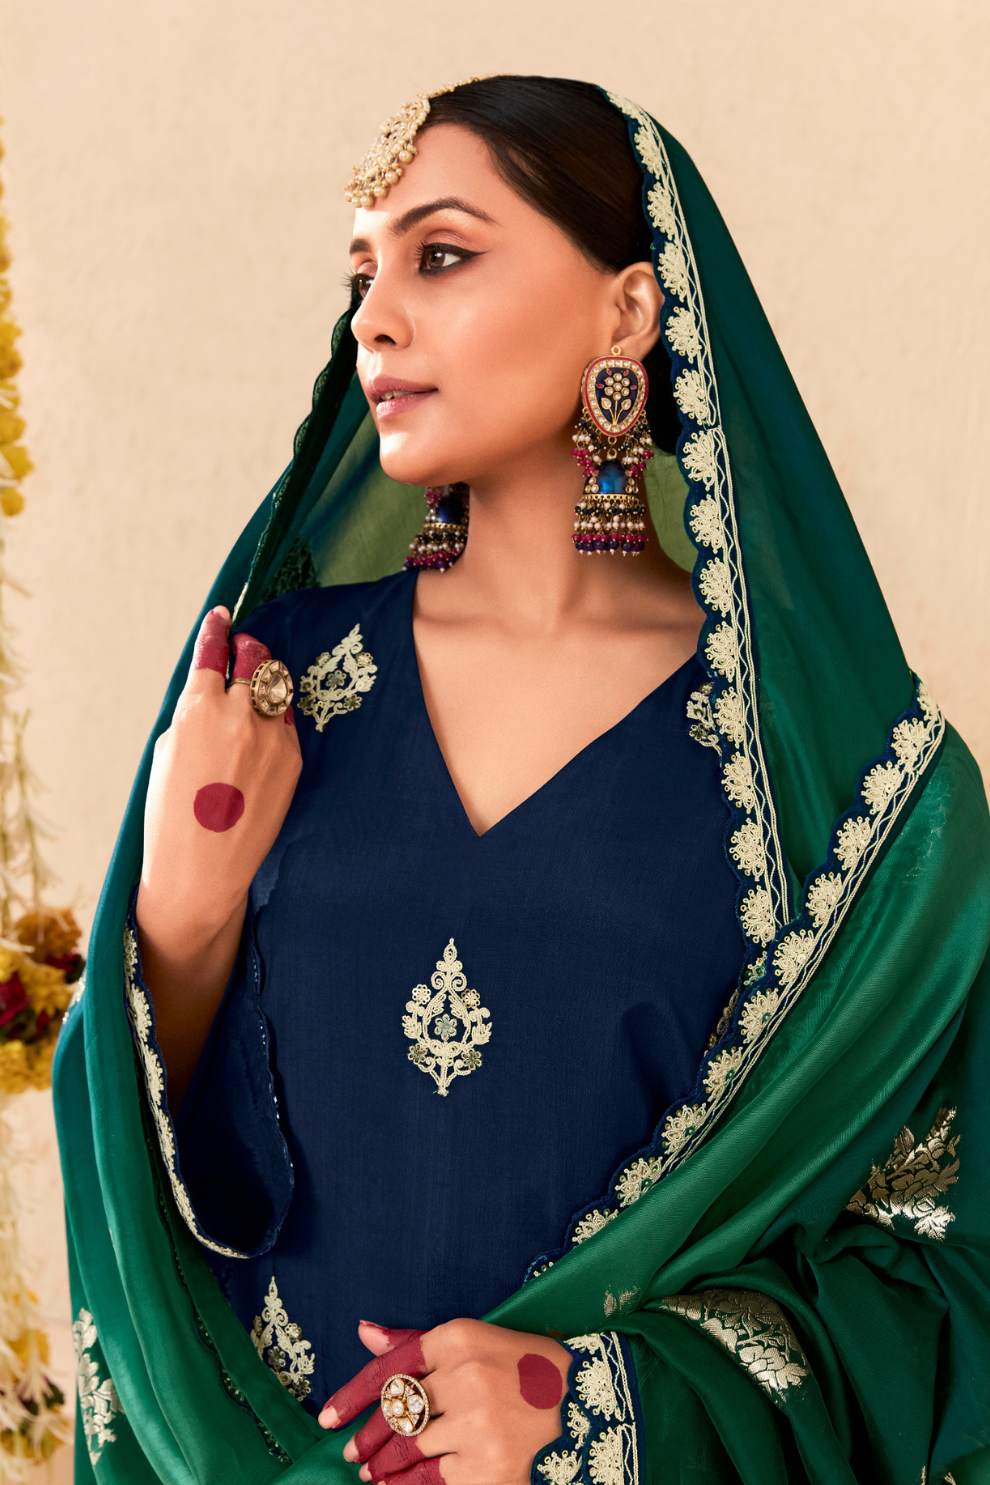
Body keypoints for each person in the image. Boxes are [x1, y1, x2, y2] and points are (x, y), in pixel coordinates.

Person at [54, 77, 990, 1485]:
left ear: (628, 311)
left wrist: (597, 1406)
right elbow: (150, 1185)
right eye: (362, 275)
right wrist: (181, 919)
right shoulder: (266, 696)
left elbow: (941, 1271)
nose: (373, 320)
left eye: (440, 254)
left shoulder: (852, 792)